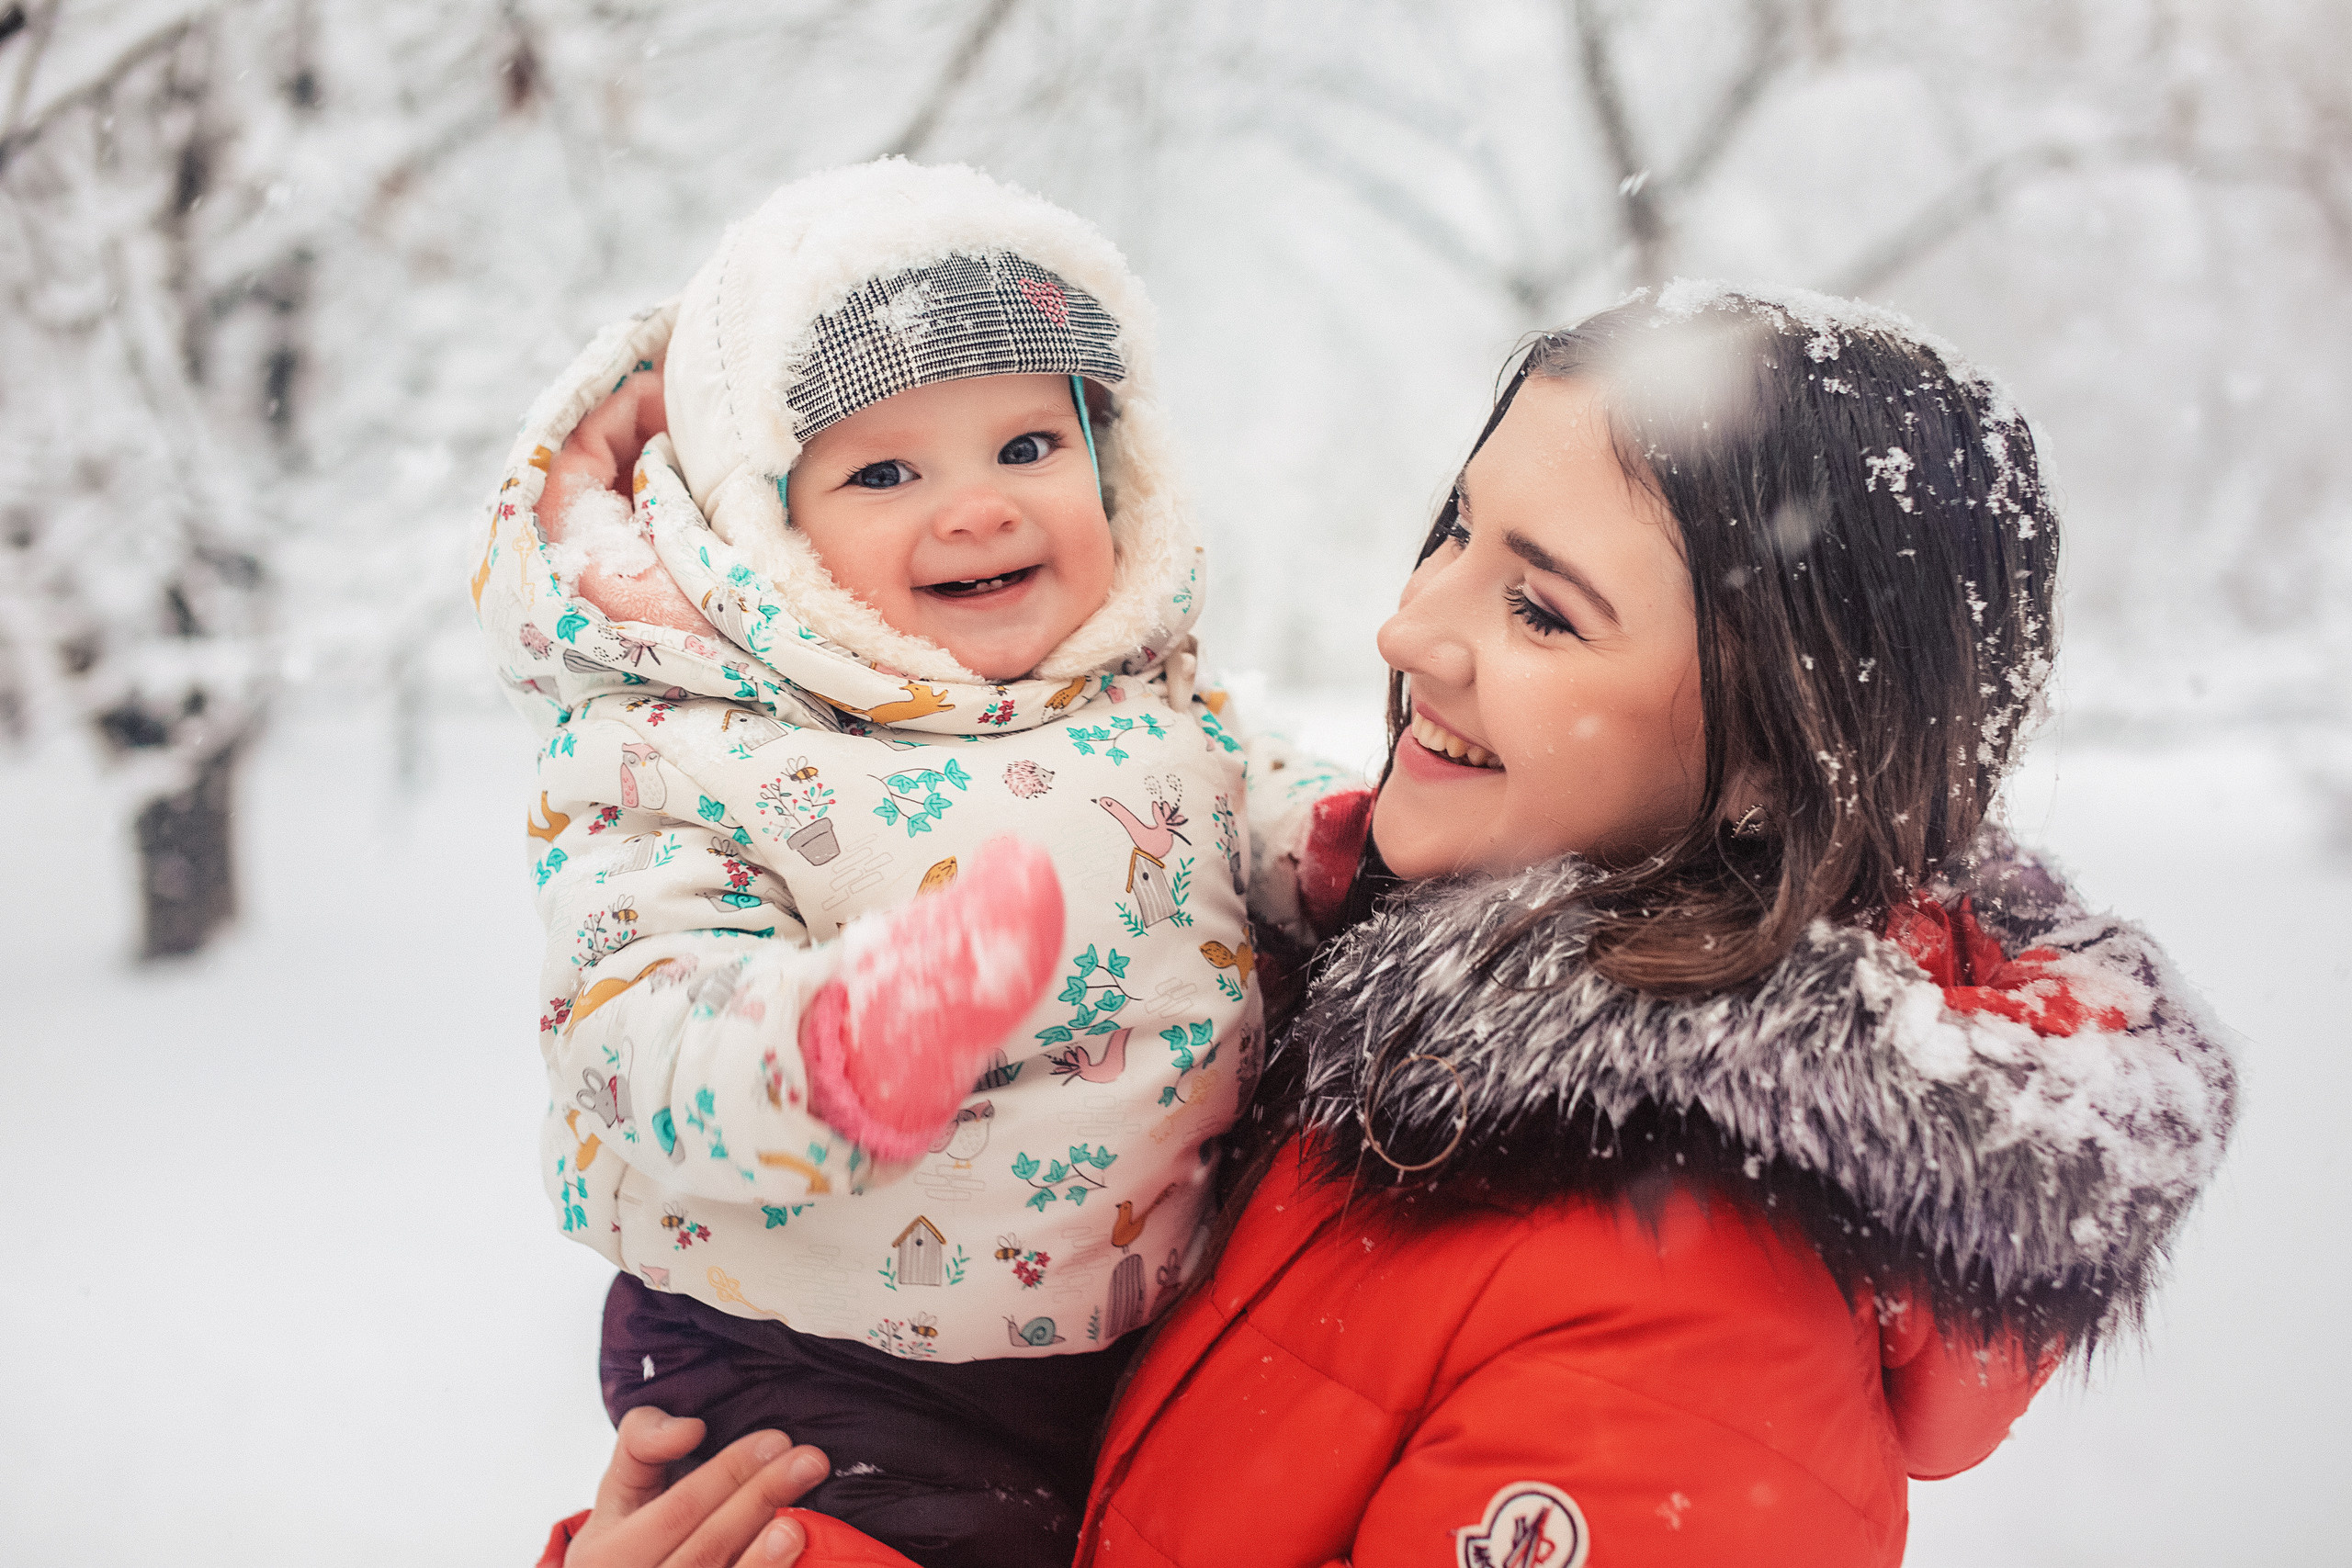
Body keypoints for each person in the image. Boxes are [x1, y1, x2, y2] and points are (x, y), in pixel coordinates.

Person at [540, 285, 2236, 1566]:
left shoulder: (1688, 1333)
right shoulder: (1351, 998)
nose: (1409, 628)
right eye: (1453, 535)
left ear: (1771, 752)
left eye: (1540, 608)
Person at [477, 160, 1348, 1568]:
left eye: (1026, 447)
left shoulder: (1140, 692)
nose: (978, 508)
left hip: (1121, 1339)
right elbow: (629, 1024)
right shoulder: (689, 748)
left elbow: (1244, 801)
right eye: (885, 471)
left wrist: (1328, 847)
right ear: (765, 527)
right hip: (812, 1370)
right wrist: (828, 1047)